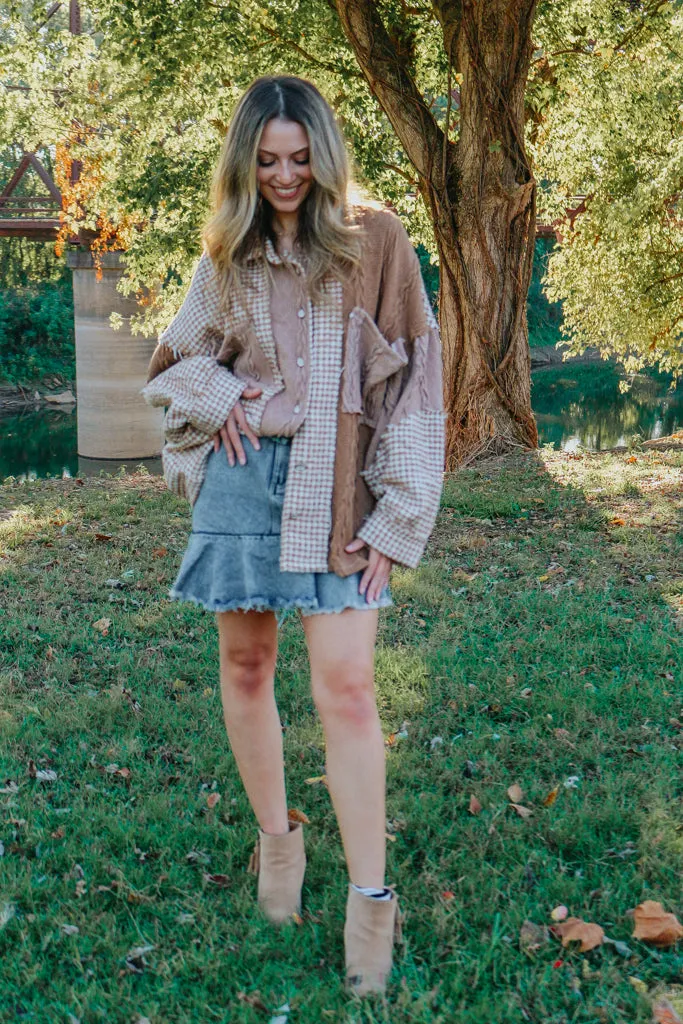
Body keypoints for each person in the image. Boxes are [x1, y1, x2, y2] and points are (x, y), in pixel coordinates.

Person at [142, 75, 445, 996]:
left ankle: (370, 902)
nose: (284, 177)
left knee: (348, 689)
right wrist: (225, 394)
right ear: (245, 162)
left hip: (338, 489)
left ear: (326, 154)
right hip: (241, 481)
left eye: (299, 158)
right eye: (266, 160)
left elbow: (413, 385)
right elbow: (172, 361)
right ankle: (278, 850)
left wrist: (399, 514)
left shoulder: (376, 241)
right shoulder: (226, 252)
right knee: (245, 670)